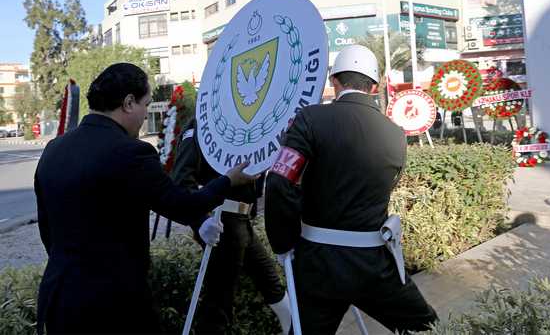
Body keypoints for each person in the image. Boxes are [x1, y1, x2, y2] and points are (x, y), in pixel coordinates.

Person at [34, 63, 256, 335]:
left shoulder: (54, 149)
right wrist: (227, 181)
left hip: (59, 301)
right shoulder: (131, 153)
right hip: (115, 307)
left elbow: (47, 230)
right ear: (128, 103)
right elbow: (184, 205)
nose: (144, 118)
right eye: (146, 105)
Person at [264, 45, 438, 334]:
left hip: (318, 264)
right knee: (426, 327)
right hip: (375, 265)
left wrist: (283, 243)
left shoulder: (309, 119)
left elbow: (279, 182)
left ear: (334, 81)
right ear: (374, 86)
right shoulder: (396, 133)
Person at [170, 118, 291, 334]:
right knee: (218, 305)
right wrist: (201, 221)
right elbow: (181, 182)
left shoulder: (244, 125)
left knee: (271, 285)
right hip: (220, 222)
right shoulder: (199, 125)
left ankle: (292, 326)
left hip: (241, 221)